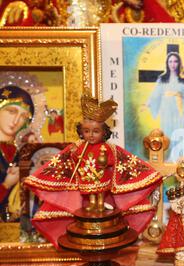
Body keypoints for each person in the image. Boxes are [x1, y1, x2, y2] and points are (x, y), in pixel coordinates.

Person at [24, 92, 163, 247]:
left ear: (104, 133)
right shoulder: (79, 147)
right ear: (81, 132)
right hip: (86, 177)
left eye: (95, 131)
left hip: (102, 178)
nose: (91, 135)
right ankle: (92, 204)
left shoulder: (108, 148)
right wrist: (76, 155)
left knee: (99, 193)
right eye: (86, 131)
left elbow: (116, 160)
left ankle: (100, 204)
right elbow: (70, 159)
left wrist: (105, 160)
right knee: (91, 194)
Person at [146, 51, 184, 161]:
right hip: (166, 109)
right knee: (167, 131)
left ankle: (180, 158)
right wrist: (148, 103)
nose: (173, 64)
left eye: (175, 61)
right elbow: (155, 94)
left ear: (179, 63)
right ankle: (168, 158)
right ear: (167, 63)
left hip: (179, 109)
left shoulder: (183, 79)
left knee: (180, 130)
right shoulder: (162, 79)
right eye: (170, 61)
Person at [0, 86, 34, 222]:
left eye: (23, 116)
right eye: (12, 111)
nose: (16, 121)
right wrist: (7, 184)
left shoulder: (23, 153)